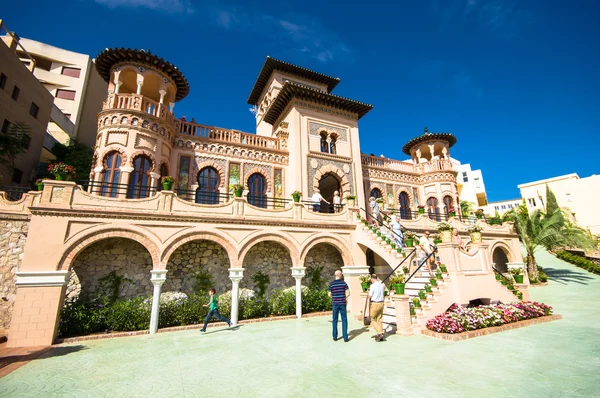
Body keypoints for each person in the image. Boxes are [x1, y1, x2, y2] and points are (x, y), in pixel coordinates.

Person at [328, 270, 350, 342]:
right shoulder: (344, 283)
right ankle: (345, 337)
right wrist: (344, 297)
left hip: (335, 304)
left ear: (335, 275)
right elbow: (348, 293)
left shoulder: (331, 284)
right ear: (340, 275)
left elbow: (329, 294)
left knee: (335, 320)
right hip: (342, 303)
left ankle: (335, 336)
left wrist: (334, 298)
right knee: (344, 320)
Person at [368, 274, 386, 342]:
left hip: (375, 303)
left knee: (372, 318)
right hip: (381, 302)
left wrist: (368, 293)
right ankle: (380, 334)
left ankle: (380, 333)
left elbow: (370, 296)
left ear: (372, 279)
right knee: (379, 318)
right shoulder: (382, 285)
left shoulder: (372, 286)